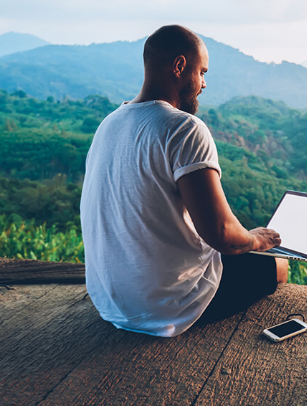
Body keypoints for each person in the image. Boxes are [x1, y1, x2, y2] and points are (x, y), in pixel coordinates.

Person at [80, 25, 288, 337]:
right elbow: (221, 234)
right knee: (279, 267)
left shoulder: (109, 124)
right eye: (201, 72)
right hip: (163, 307)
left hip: (109, 302)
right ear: (179, 66)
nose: (204, 84)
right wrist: (256, 239)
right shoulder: (184, 128)